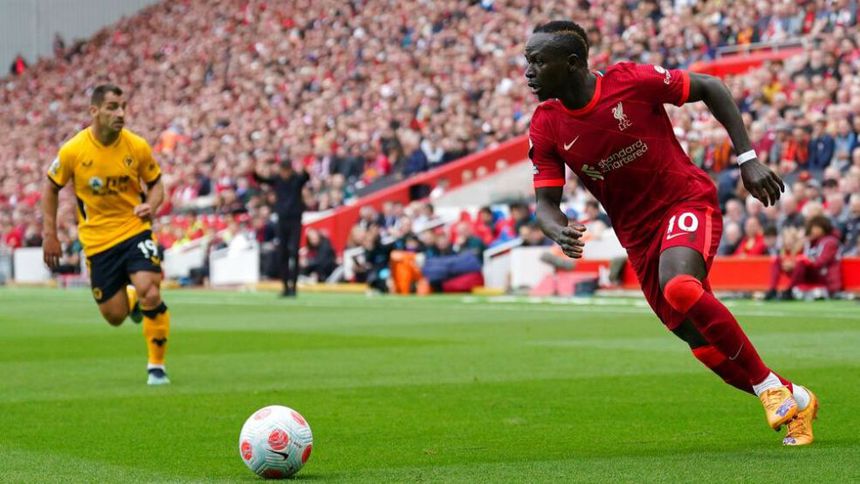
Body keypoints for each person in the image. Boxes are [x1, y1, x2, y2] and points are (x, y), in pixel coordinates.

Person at [525, 21, 817, 446]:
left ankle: (769, 388)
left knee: (679, 285)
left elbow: (711, 87)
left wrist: (748, 159)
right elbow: (545, 204)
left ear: (571, 63)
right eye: (527, 61)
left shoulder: (629, 82)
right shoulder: (546, 124)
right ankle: (796, 398)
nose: (528, 71)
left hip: (685, 201)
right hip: (638, 236)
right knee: (698, 339)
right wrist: (557, 229)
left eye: (537, 61)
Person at [41, 84, 171, 385]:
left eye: (123, 106)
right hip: (97, 241)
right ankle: (131, 299)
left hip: (135, 230)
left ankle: (156, 366)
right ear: (94, 111)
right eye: (112, 107)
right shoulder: (74, 150)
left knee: (151, 290)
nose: (120, 113)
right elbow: (50, 187)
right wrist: (50, 234)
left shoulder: (137, 146)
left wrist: (151, 206)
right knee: (114, 316)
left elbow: (156, 183)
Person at [254, 160, 310, 297]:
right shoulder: (277, 180)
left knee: (294, 253)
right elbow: (261, 180)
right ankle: (285, 286)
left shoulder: (297, 180)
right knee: (282, 253)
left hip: (295, 220)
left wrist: (304, 169)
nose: (284, 173)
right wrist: (254, 170)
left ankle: (294, 287)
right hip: (282, 220)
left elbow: (306, 177)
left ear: (290, 170)